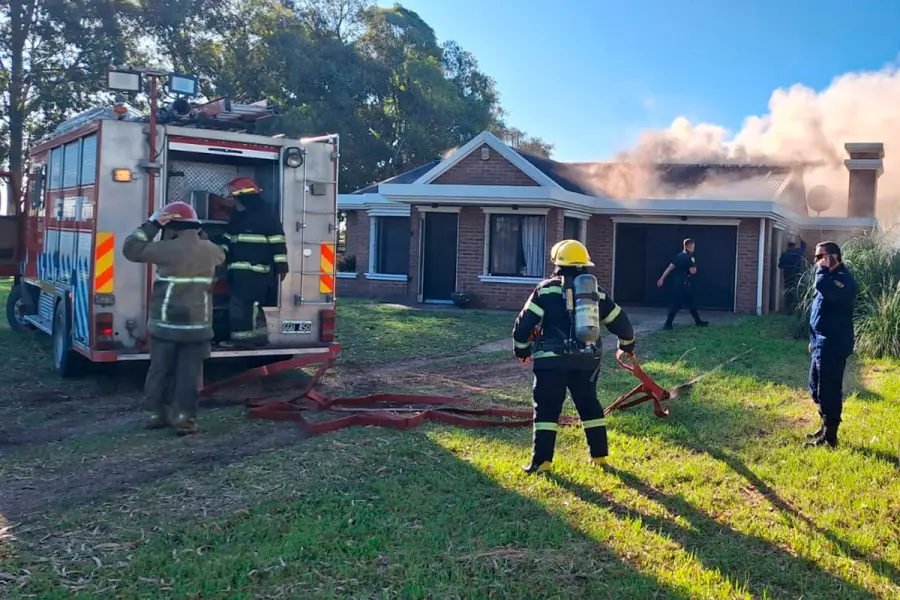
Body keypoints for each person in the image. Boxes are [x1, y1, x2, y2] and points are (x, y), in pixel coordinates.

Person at [512, 239, 637, 474]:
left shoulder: (545, 290)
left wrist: (522, 349)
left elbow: (523, 326)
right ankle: (599, 457)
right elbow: (621, 322)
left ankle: (542, 462)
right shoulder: (595, 292)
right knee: (589, 404)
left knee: (547, 408)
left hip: (551, 361)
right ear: (585, 264)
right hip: (587, 359)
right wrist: (627, 346)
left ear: (557, 263)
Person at [122, 202, 226, 435]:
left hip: (165, 325)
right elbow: (216, 252)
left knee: (159, 371)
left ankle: (155, 415)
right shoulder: (213, 251)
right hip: (198, 326)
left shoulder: (164, 249)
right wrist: (198, 233)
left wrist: (152, 225)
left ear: (172, 227)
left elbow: (131, 248)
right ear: (196, 227)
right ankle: (184, 419)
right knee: (190, 375)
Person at [220, 177, 288, 348]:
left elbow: (277, 241)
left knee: (245, 306)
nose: (233, 202)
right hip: (239, 272)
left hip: (256, 272)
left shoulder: (265, 216)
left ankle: (246, 339)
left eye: (235, 198)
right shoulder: (239, 216)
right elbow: (228, 238)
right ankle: (245, 338)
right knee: (241, 306)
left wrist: (281, 266)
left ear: (244, 197)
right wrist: (220, 254)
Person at [805, 241, 857, 448]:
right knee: (815, 388)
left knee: (829, 390)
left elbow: (827, 291)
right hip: (821, 343)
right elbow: (818, 312)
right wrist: (813, 341)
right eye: (816, 257)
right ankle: (824, 424)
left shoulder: (842, 279)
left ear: (834, 257)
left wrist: (822, 270)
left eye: (821, 256)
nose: (817, 261)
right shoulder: (827, 276)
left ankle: (830, 437)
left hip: (833, 344)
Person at [657, 238, 709, 330]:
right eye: (693, 246)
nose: (694, 248)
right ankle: (668, 324)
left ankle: (698, 321)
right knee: (677, 304)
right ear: (690, 246)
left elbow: (669, 268)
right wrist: (695, 267)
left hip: (678, 282)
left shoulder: (679, 256)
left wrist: (662, 278)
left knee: (690, 302)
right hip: (684, 283)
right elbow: (692, 271)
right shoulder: (690, 257)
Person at [778, 238, 808, 313]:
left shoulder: (784, 255)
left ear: (788, 246)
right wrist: (801, 239)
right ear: (794, 246)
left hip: (787, 275)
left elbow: (780, 265)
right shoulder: (798, 253)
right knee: (795, 291)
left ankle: (788, 308)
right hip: (796, 275)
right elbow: (804, 246)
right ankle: (794, 308)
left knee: (788, 291)